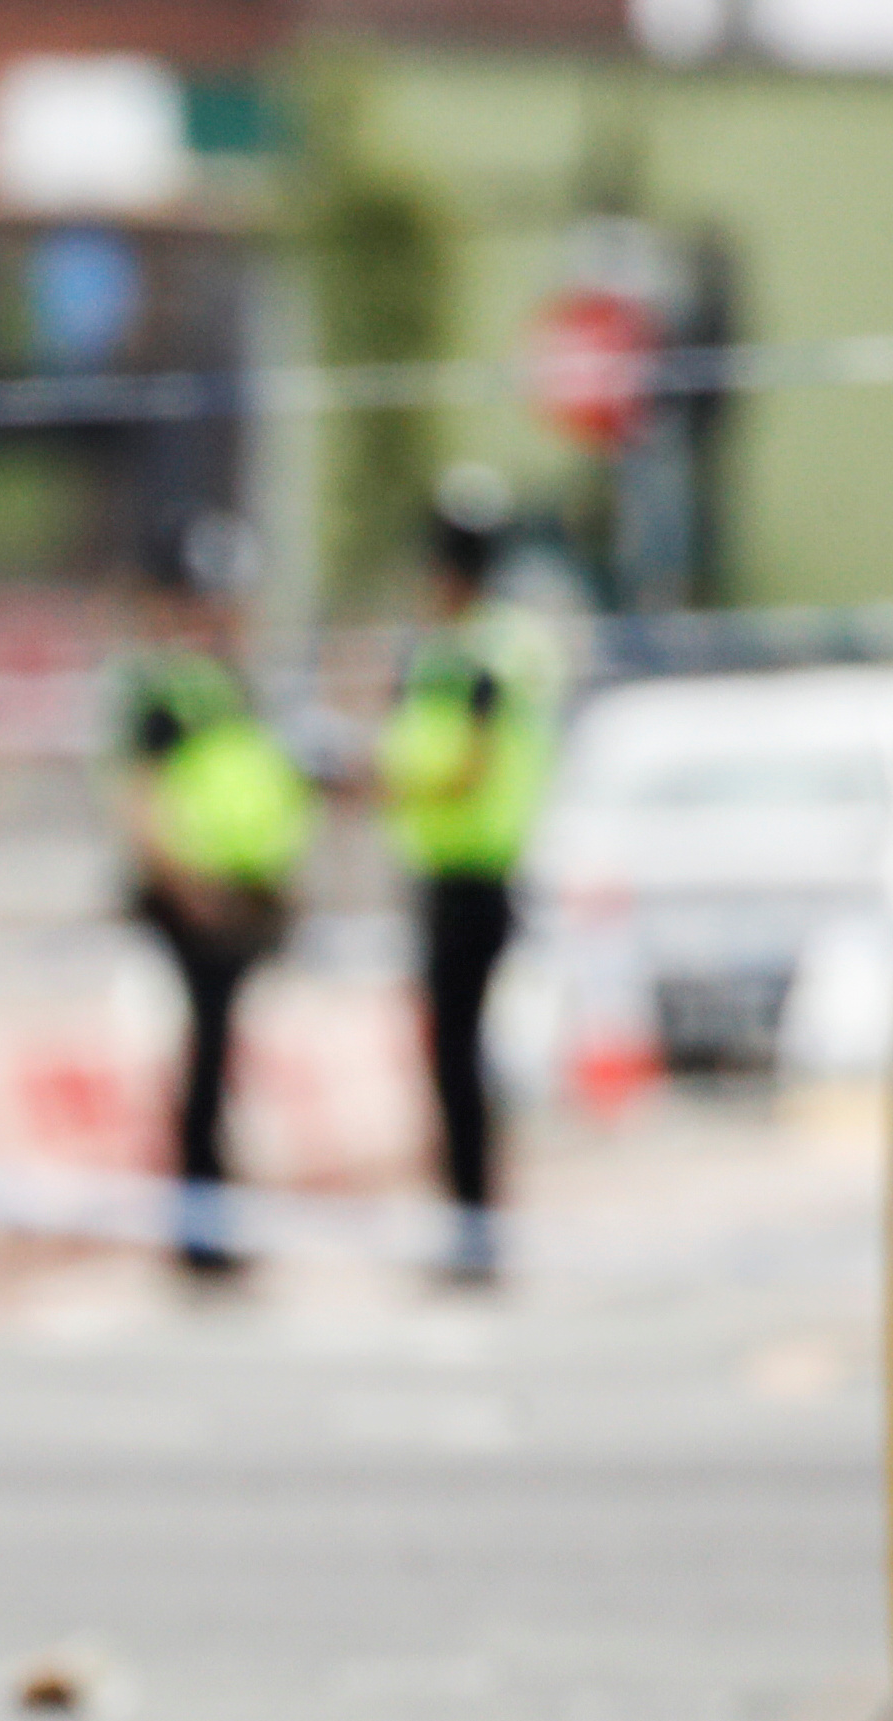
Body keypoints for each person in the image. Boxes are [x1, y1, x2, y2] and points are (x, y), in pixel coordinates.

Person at [113, 519, 313, 1278]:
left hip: (242, 895)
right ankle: (200, 1230)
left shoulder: (243, 687)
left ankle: (216, 1217)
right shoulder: (170, 691)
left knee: (222, 1062)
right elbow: (143, 799)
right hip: (195, 902)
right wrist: (187, 883)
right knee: (202, 1064)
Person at [377, 467, 561, 1285]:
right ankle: (471, 1220)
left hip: (468, 875)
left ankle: (471, 1227)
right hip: (478, 871)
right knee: (464, 1055)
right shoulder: (503, 645)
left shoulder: (476, 654)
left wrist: (384, 778)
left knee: (458, 1059)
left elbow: (464, 766)